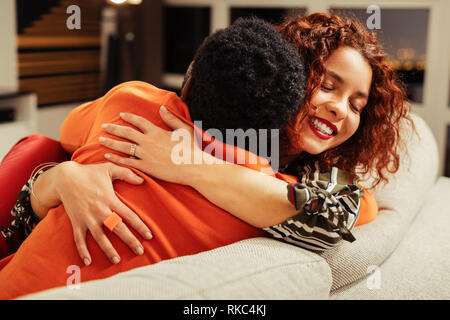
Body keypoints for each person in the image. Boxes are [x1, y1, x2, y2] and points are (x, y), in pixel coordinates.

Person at [0, 17, 309, 299]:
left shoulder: (132, 103)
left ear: (189, 80)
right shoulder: (266, 195)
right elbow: (350, 206)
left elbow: (67, 131)